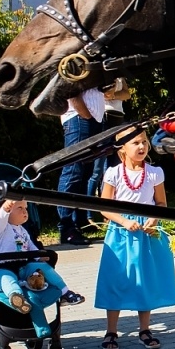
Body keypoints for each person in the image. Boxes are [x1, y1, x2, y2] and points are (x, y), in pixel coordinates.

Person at [96, 131, 175, 349]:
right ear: (122, 148)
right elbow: (105, 207)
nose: (142, 146)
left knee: (145, 280)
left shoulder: (154, 173)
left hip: (147, 234)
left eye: (144, 142)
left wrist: (153, 219)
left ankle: (144, 329)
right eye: (135, 143)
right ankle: (111, 331)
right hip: (121, 234)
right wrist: (123, 221)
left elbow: (161, 203)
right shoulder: (113, 173)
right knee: (117, 279)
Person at [0, 197, 82, 337]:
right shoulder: (0, 228)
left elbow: (30, 246)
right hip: (1, 267)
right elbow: (0, 217)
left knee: (42, 267)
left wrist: (39, 257)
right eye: (20, 208)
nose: (25, 212)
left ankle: (65, 292)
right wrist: (5, 207)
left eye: (26, 208)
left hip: (22, 267)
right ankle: (16, 296)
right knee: (6, 279)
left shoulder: (23, 231)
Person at [57, 86, 107, 245]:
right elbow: (69, 89)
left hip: (91, 119)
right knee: (73, 172)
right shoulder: (73, 61)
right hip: (78, 118)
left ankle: (79, 222)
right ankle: (66, 227)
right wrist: (86, 114)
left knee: (85, 173)